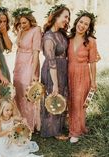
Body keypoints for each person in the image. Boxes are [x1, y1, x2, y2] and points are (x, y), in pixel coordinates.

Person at [68, 10, 100, 143]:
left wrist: (93, 81)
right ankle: (75, 125)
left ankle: (76, 131)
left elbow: (92, 63)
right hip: (69, 72)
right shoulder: (68, 38)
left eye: (86, 24)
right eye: (81, 22)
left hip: (83, 74)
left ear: (89, 27)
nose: (82, 25)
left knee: (79, 102)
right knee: (71, 101)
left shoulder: (91, 41)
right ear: (77, 22)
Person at [40, 4, 70, 140]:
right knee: (54, 94)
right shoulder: (48, 37)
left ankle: (59, 126)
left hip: (63, 69)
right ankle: (52, 130)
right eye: (65, 17)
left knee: (62, 96)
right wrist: (55, 83)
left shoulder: (61, 33)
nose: (67, 20)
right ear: (56, 16)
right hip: (52, 71)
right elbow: (52, 63)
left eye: (68, 18)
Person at [12, 7, 42, 132]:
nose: (22, 25)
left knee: (27, 93)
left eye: (24, 22)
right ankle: (20, 121)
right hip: (19, 63)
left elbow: (36, 53)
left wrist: (34, 72)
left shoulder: (36, 30)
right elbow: (18, 49)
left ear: (30, 21)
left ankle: (30, 124)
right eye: (20, 23)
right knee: (18, 93)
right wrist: (15, 68)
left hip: (30, 63)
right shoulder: (20, 31)